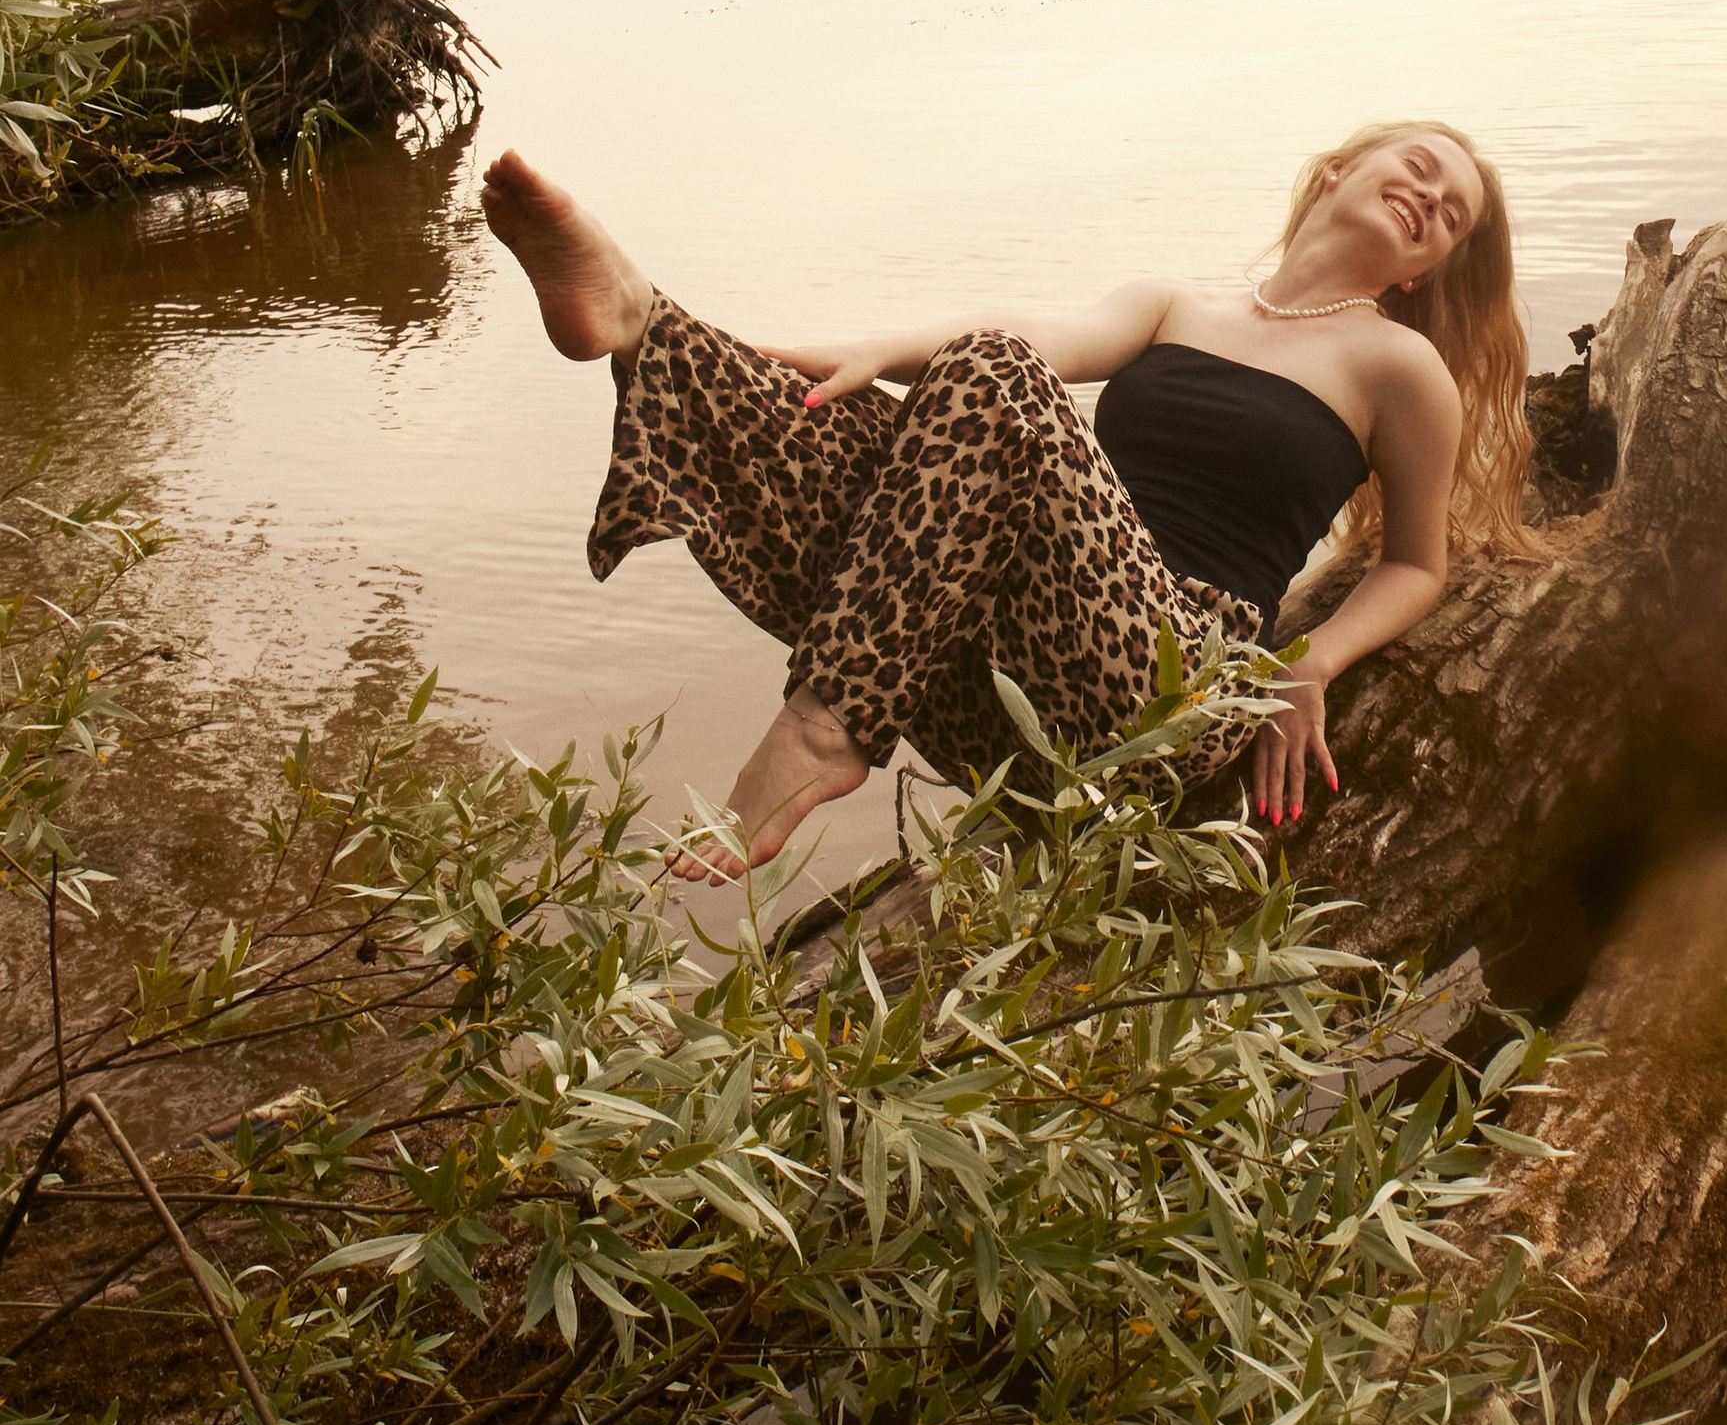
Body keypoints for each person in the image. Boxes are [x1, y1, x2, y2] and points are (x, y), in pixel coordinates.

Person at [478, 122, 1533, 876]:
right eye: (1421, 170)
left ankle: (824, 726)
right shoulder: (1176, 306)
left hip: (1164, 691)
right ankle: (640, 320)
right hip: (1004, 677)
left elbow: (1415, 562)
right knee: (843, 417)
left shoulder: (1399, 366)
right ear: (1342, 166)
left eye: (1451, 218)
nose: (1431, 204)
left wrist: (1311, 657)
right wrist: (879, 352)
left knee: (988, 375)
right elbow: (1035, 340)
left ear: (1427, 266)